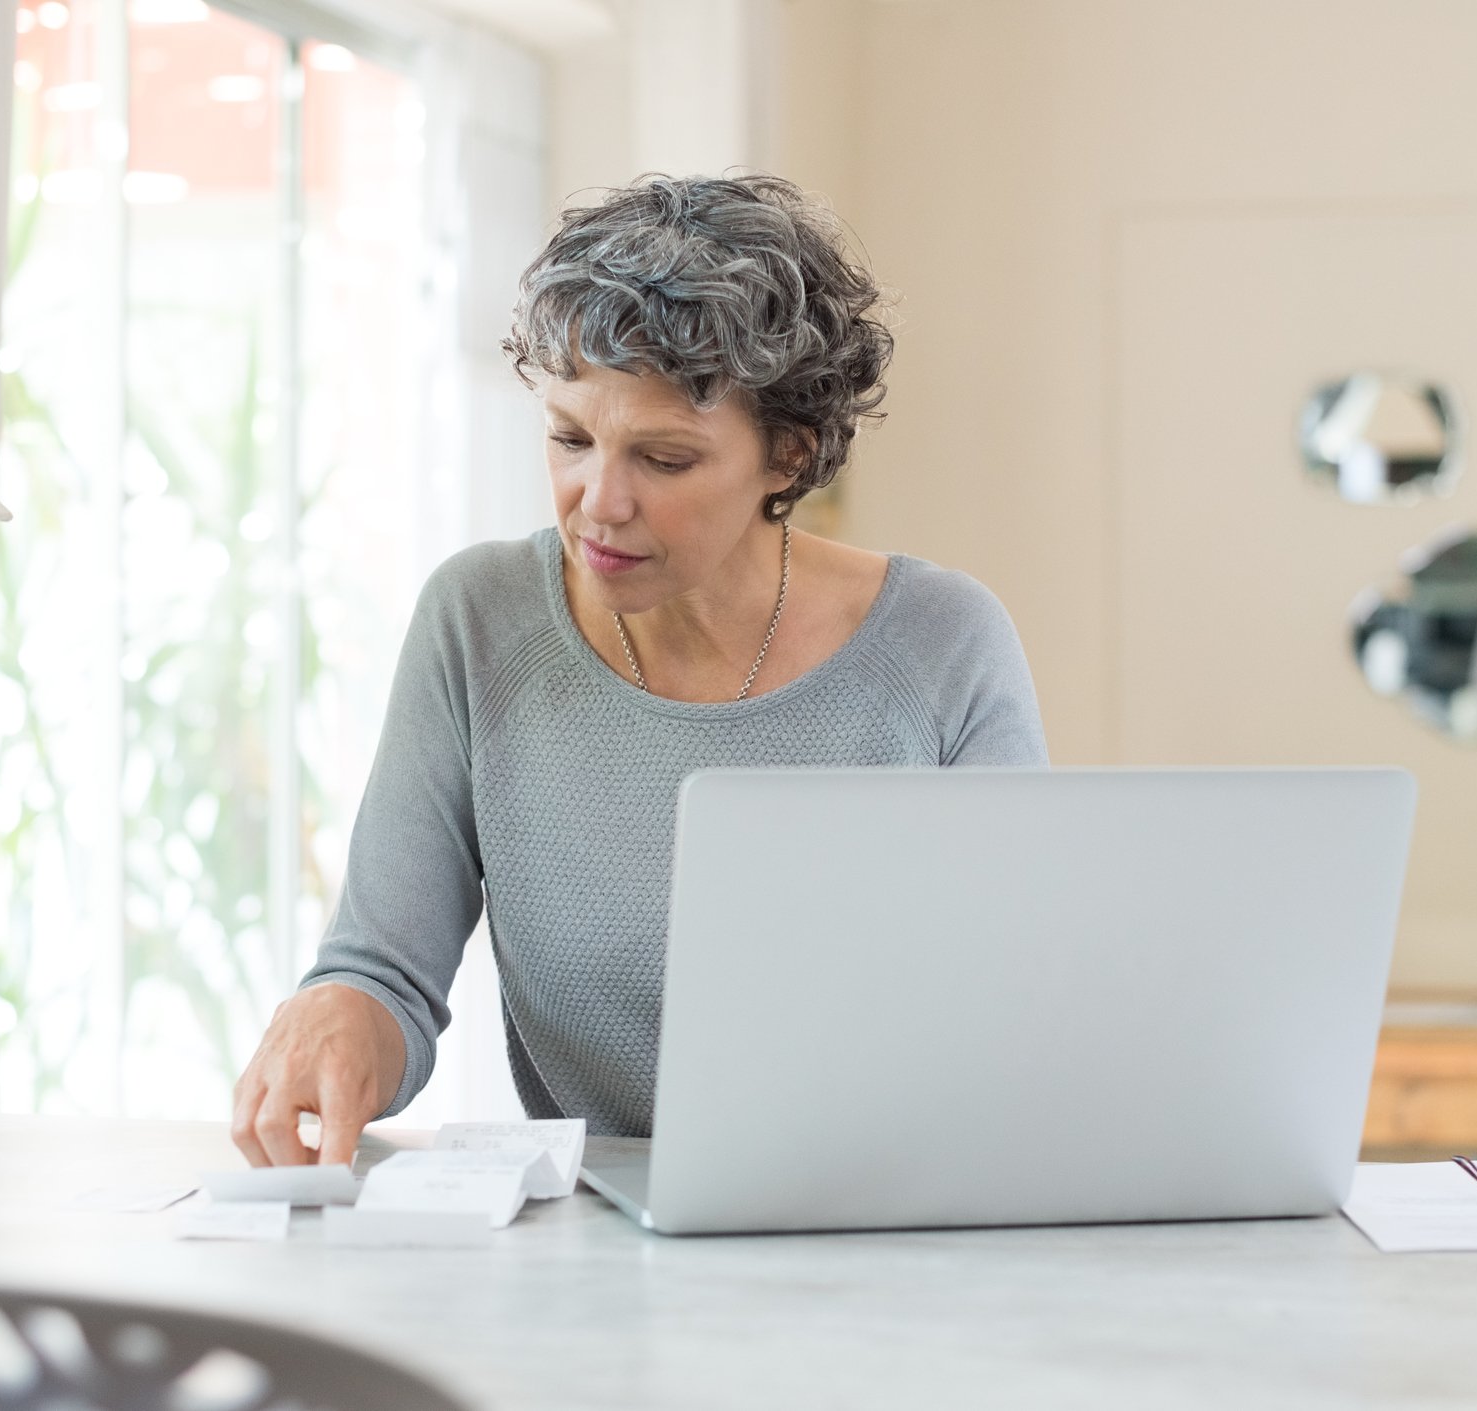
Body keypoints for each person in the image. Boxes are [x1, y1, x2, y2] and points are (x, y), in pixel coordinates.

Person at [231, 174, 1047, 1167]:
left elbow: (1016, 1010)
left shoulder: (942, 644)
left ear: (786, 456)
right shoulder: (478, 621)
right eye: (570, 438)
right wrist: (340, 1011)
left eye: (664, 460)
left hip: (894, 1222)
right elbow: (385, 971)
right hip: (599, 1252)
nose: (598, 503)